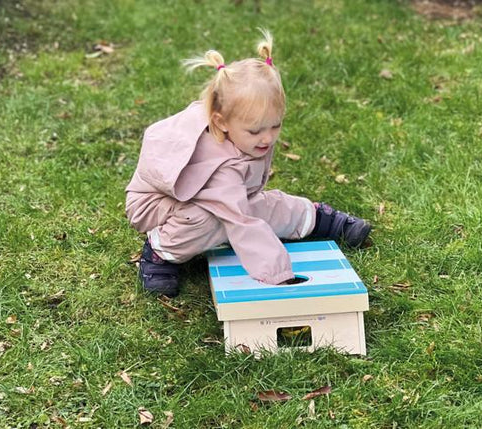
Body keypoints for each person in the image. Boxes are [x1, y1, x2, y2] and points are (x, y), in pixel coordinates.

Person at [125, 30, 371, 297]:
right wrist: (279, 276)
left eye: (275, 126)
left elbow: (244, 204)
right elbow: (240, 222)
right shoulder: (217, 165)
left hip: (224, 197)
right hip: (159, 206)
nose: (267, 138)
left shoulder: (242, 126)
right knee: (207, 219)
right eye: (255, 132)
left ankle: (318, 218)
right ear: (221, 122)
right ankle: (161, 251)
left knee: (260, 206)